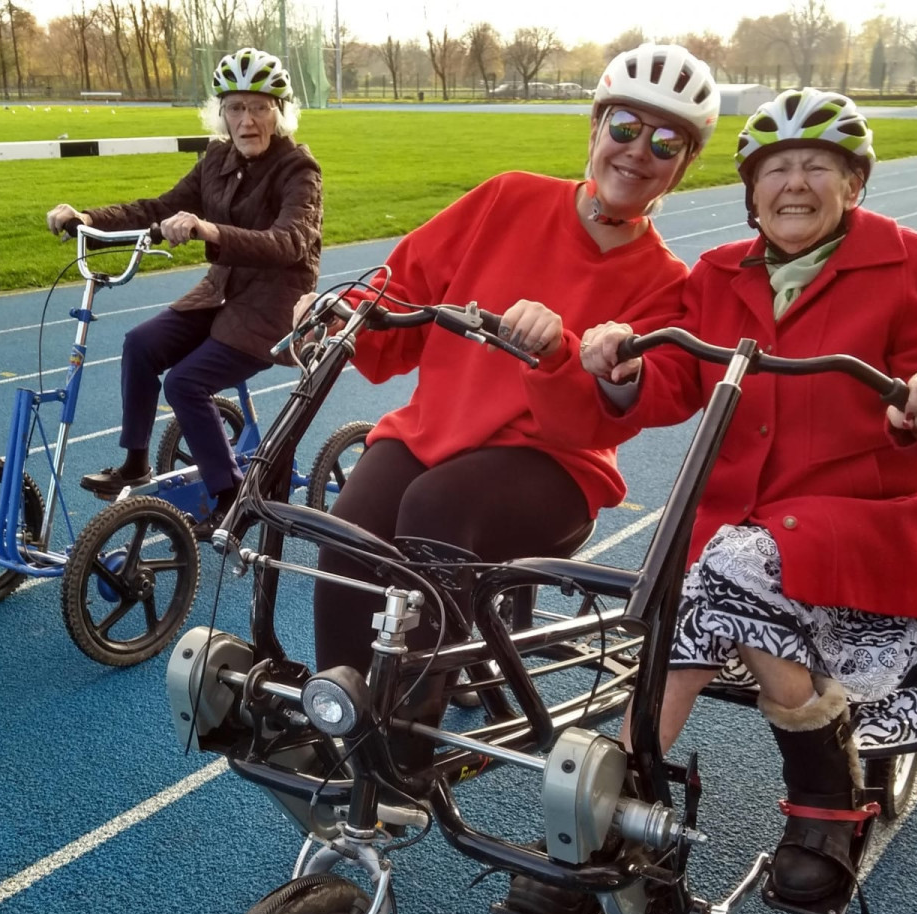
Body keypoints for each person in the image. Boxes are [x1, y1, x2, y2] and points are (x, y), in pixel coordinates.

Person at [540, 88, 917, 914]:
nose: (794, 183)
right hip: (739, 527)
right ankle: (623, 807)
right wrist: (624, 364)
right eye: (776, 169)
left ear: (853, 184)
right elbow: (675, 378)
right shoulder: (720, 273)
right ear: (751, 191)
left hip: (857, 523)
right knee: (705, 583)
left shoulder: (908, 262)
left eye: (817, 166)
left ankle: (800, 795)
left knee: (720, 566)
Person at [295, 44, 720, 749]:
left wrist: (564, 355)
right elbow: (402, 291)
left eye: (666, 142)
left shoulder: (665, 281)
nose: (638, 151)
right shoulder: (508, 198)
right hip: (436, 431)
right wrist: (343, 316)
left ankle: (404, 747)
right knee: (351, 526)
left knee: (435, 509)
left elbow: (598, 423)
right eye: (625, 127)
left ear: (686, 162)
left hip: (554, 468)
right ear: (595, 126)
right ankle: (340, 713)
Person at [45, 47, 323, 521]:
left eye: (259, 107)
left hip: (273, 310)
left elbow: (289, 242)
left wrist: (209, 230)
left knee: (185, 382)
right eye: (236, 108)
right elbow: (159, 208)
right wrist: (88, 217)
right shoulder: (216, 159)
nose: (247, 121)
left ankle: (232, 499)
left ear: (280, 113)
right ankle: (135, 464)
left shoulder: (299, 169)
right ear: (221, 114)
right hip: (220, 295)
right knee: (140, 344)